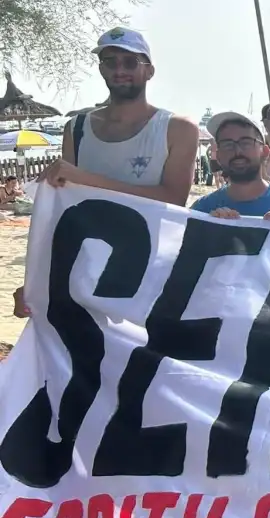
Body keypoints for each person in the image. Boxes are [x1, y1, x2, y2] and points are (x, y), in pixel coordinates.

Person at [16, 26, 200, 318]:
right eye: (110, 62)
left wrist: (87, 180)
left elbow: (173, 199)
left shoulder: (177, 129)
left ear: (149, 70)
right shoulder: (76, 129)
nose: (119, 70)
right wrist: (36, 279)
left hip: (147, 272)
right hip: (83, 270)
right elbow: (63, 210)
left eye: (130, 62)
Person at [191, 113, 270, 219]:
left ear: (264, 151)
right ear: (219, 156)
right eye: (228, 144)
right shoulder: (202, 211)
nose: (237, 151)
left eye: (246, 142)